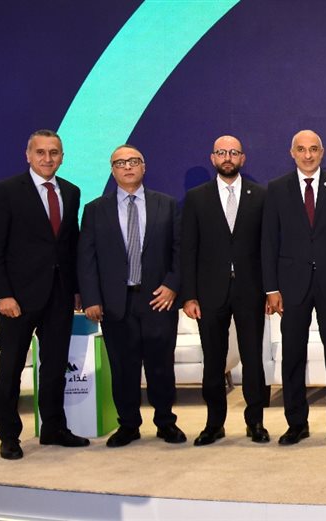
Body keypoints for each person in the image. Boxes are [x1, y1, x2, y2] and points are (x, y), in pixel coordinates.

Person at [0, 129, 88, 460]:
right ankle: (9, 436)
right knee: (11, 367)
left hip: (59, 295)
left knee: (55, 367)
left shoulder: (71, 191)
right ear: (28, 155)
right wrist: (2, 294)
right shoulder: (6, 191)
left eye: (54, 152)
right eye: (40, 152)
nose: (47, 158)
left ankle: (53, 428)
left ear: (62, 157)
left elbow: (71, 244)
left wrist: (77, 289)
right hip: (17, 298)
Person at [78, 144, 185, 447]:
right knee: (123, 368)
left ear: (144, 167)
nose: (127, 167)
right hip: (116, 302)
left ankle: (165, 422)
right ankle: (128, 425)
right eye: (120, 163)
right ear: (112, 170)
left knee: (161, 366)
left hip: (158, 299)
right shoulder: (95, 210)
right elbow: (86, 258)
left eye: (133, 161)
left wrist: (173, 285)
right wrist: (91, 298)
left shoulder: (166, 204)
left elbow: (180, 250)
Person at [261, 130, 326, 446]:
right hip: (292, 286)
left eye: (313, 149)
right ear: (292, 153)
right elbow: (269, 241)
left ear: (322, 152)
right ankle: (296, 424)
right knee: (292, 356)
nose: (308, 155)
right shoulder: (277, 189)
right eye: (301, 149)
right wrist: (271, 289)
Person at [180, 135, 269, 446]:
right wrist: (189, 295)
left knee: (253, 359)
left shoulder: (260, 195)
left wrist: (271, 290)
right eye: (221, 152)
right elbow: (188, 249)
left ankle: (255, 422)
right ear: (212, 158)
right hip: (209, 292)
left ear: (243, 158)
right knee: (213, 361)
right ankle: (213, 424)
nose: (227, 157)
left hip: (251, 289)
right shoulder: (196, 198)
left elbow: (267, 247)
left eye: (233, 152)